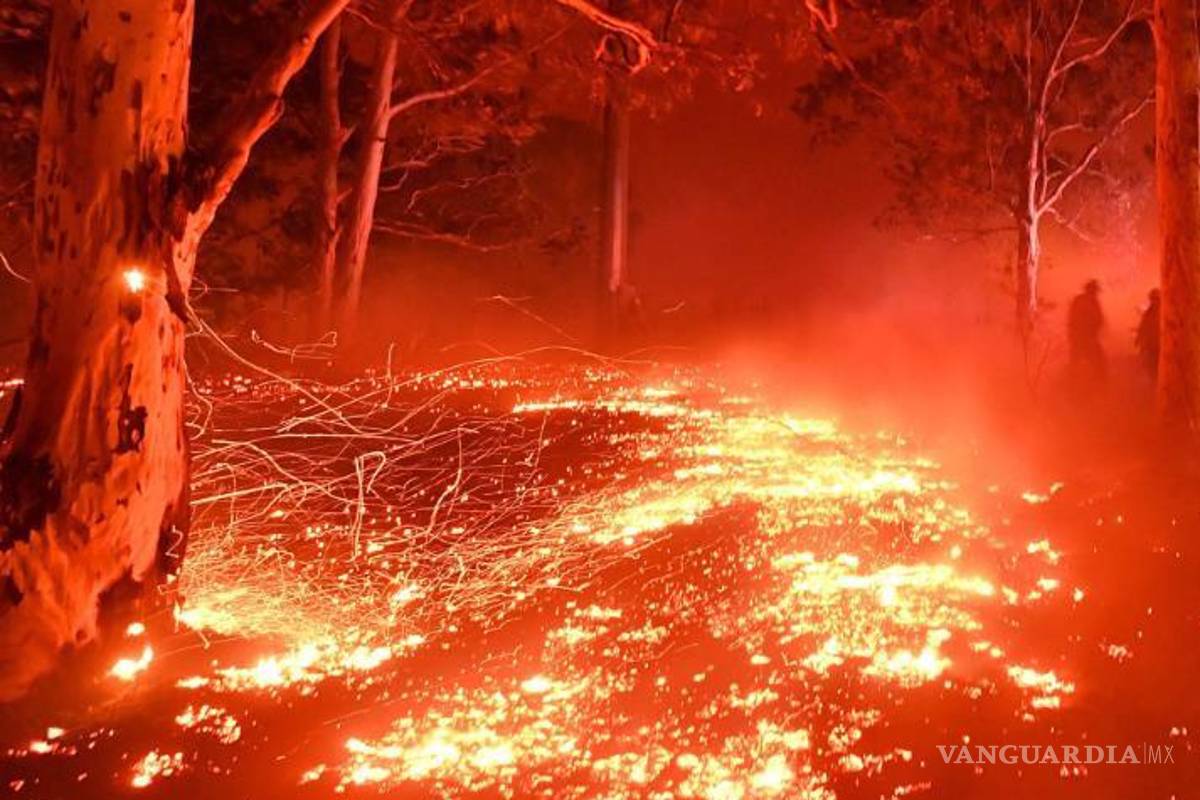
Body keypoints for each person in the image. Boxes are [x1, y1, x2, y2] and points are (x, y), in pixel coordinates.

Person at [1067, 279, 1106, 385]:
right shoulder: (1088, 302)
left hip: (1080, 338)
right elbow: (1097, 319)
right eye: (1095, 290)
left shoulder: (1080, 300)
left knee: (1075, 362)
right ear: (1091, 290)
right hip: (1085, 338)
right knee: (1099, 363)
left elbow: (1098, 319)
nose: (1095, 293)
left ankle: (1072, 384)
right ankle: (1099, 385)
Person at [1134, 288, 1161, 380]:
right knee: (1151, 368)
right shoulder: (1149, 313)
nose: (1154, 301)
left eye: (1156, 299)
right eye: (1153, 299)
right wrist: (1138, 339)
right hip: (1151, 346)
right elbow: (1143, 326)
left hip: (1161, 346)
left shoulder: (1165, 312)